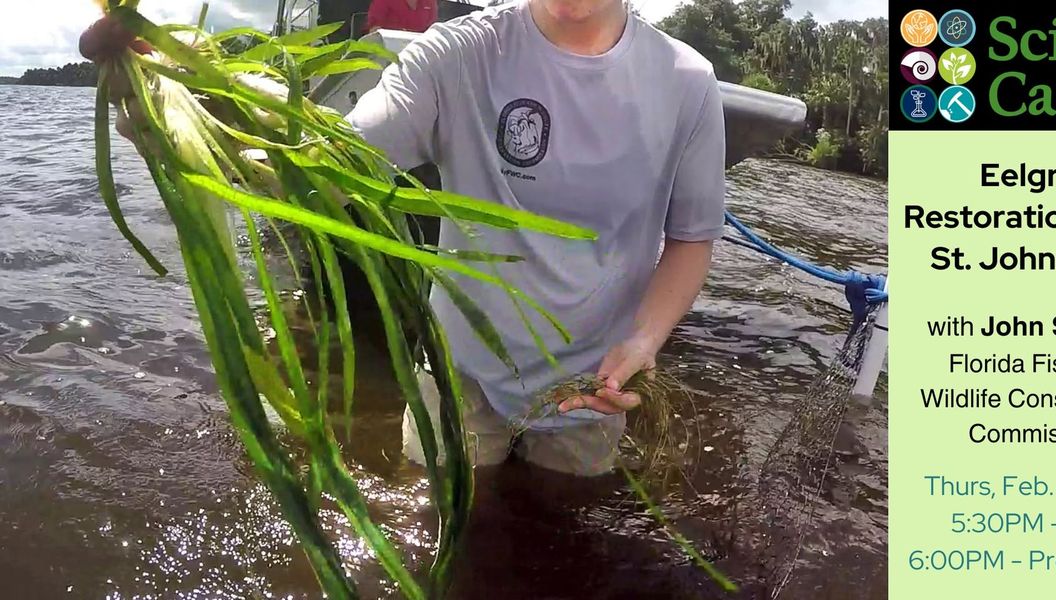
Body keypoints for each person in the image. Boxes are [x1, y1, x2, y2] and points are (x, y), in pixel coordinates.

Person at [80, 0, 726, 478]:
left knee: (557, 545)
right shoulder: (457, 54)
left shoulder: (685, 82)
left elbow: (692, 237)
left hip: (592, 385)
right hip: (459, 375)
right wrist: (184, 93)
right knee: (448, 534)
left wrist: (643, 341)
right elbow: (329, 160)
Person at [365, 0, 438, 34]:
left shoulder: (430, 1)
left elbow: (432, 30)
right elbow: (373, 31)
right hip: (390, 50)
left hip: (419, 49)